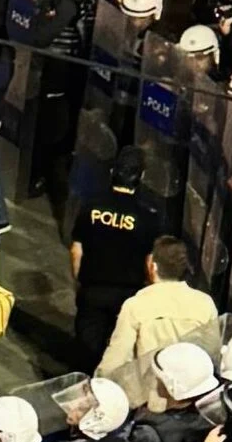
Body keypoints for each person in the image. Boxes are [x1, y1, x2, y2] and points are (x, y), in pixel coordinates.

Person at [68, 147, 166, 371]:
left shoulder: (91, 206)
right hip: (128, 294)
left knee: (87, 348)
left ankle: (85, 381)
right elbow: (150, 261)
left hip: (93, 288)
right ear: (141, 176)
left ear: (112, 171)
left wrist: (79, 280)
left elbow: (76, 250)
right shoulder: (148, 217)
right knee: (119, 351)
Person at [97, 235, 219, 374]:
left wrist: (99, 380)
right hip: (191, 385)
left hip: (150, 386)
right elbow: (212, 353)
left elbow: (116, 359)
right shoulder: (205, 303)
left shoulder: (136, 305)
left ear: (153, 266)